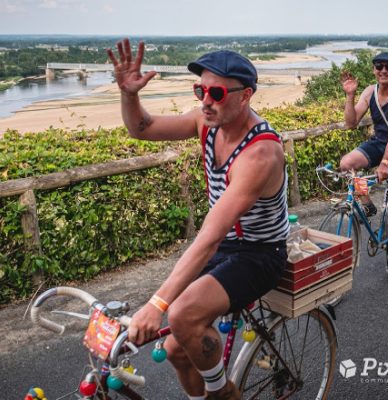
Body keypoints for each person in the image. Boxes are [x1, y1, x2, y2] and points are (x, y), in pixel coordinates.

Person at [107, 38, 289, 400]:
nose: (205, 101)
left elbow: (208, 237)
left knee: (181, 313)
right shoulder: (206, 123)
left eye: (217, 93)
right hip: (226, 247)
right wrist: (129, 95)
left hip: (260, 252)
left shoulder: (261, 154)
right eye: (200, 90)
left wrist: (156, 305)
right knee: (176, 349)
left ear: (245, 95)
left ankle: (223, 393)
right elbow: (141, 128)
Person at [339, 52, 388, 275]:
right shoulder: (369, 92)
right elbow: (351, 123)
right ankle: (367, 202)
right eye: (379, 66)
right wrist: (350, 95)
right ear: (374, 69)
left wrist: (385, 163)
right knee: (346, 164)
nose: (383, 71)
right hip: (379, 142)